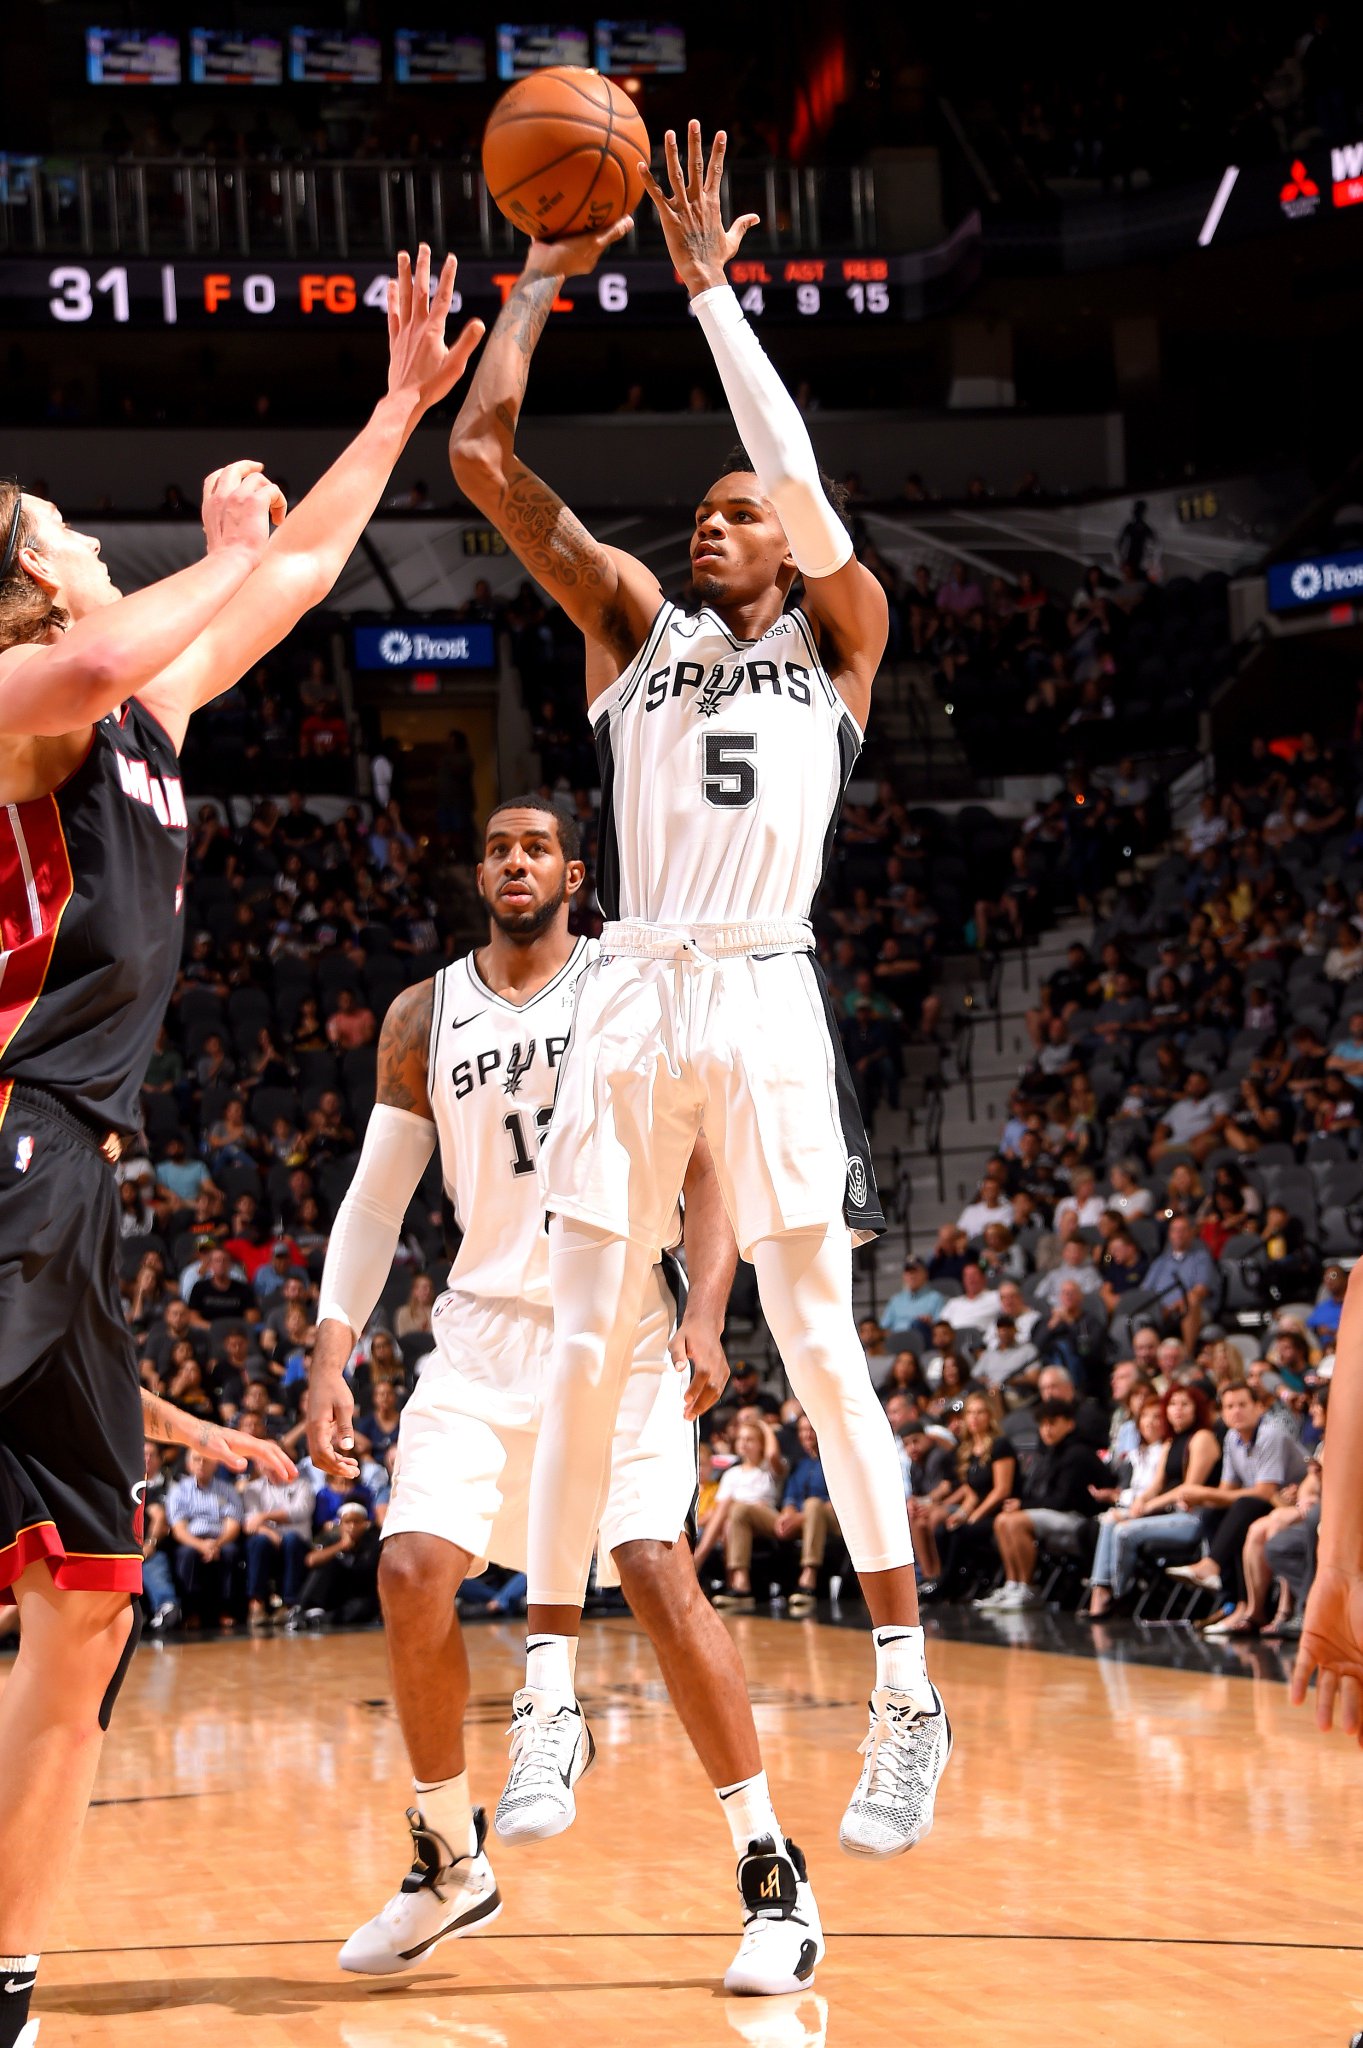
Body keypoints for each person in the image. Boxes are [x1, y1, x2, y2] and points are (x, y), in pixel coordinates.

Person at [0, 242, 482, 2048]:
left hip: (71, 1176)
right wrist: (208, 544)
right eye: (61, 533)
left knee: (89, 1603)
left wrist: (394, 409)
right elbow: (147, 618)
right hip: (11, 1142)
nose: (88, 543)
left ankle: (8, 1967)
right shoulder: (21, 709)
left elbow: (279, 580)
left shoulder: (144, 713)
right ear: (20, 592)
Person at [448, 121, 947, 1864]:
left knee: (818, 1351)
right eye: (703, 511)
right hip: (632, 996)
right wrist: (531, 286)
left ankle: (904, 1689)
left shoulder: (841, 636)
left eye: (735, 513)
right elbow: (485, 454)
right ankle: (551, 1697)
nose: (712, 523)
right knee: (588, 1349)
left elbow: (798, 480)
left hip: (764, 994)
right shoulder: (630, 626)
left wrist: (713, 299)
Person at [306, 797, 823, 1996]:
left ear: (575, 871)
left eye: (536, 846)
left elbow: (707, 1162)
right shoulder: (421, 1012)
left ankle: (771, 1872)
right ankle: (447, 1861)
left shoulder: (631, 984)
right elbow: (376, 1205)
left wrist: (704, 1307)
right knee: (408, 1568)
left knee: (651, 1561)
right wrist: (334, 1350)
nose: (515, 862)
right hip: (481, 1332)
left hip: (621, 1319)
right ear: (477, 870)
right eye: (495, 847)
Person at [1083, 1384, 1221, 1617]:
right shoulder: (1171, 1442)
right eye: (1173, 1405)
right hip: (1169, 1513)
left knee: (1124, 1531)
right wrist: (1141, 1501)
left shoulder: (1202, 1438)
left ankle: (1122, 1594)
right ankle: (1101, 1591)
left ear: (1197, 1409)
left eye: (1184, 1405)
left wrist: (1147, 1506)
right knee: (1109, 1522)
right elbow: (1157, 1484)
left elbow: (1189, 1488)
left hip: (1194, 1517)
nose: (1177, 1410)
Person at [978, 1400, 1109, 1610]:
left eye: (1052, 1423)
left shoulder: (1077, 1454)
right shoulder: (1051, 1453)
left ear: (1069, 1424)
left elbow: (1062, 1500)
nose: (1046, 1430)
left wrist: (1024, 1505)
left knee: (1016, 1522)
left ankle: (1029, 1588)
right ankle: (1013, 1584)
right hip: (1057, 1514)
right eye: (1042, 1424)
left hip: (1080, 1519)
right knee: (1003, 1519)